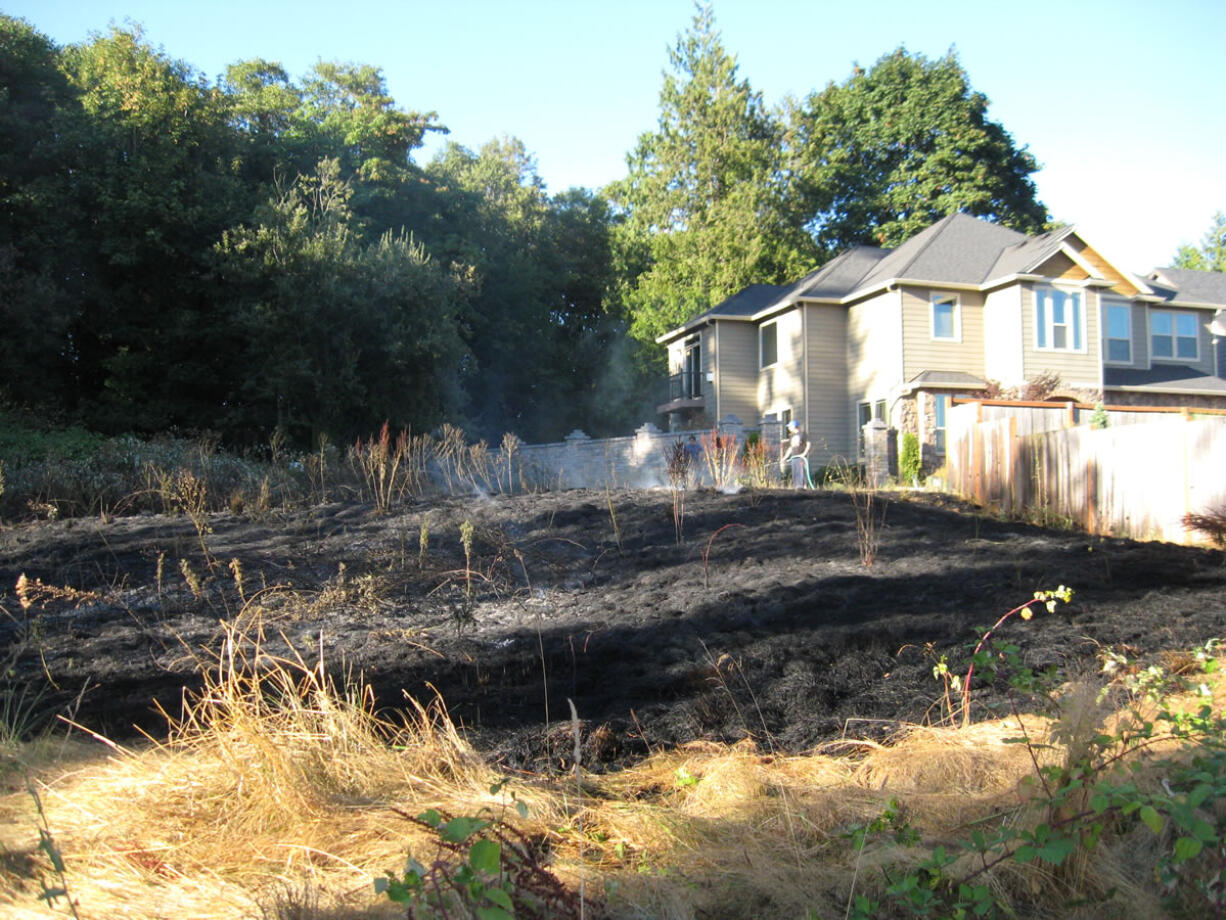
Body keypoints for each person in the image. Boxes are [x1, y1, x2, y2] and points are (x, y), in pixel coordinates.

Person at [779, 420, 810, 489]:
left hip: (801, 457)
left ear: (794, 426)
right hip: (794, 457)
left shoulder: (802, 434)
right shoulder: (792, 436)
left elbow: (808, 444)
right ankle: (797, 487)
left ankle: (803, 488)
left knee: (801, 472)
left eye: (790, 426)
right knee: (795, 473)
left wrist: (804, 454)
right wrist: (784, 458)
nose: (789, 428)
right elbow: (790, 448)